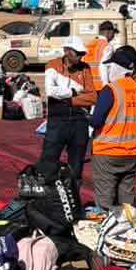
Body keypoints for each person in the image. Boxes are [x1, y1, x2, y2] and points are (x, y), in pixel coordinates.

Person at [88, 47, 136, 208]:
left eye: (110, 66)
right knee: (126, 198)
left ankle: (107, 221)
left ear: (117, 68)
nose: (109, 70)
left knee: (105, 198)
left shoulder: (111, 90)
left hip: (107, 152)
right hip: (131, 153)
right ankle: (129, 222)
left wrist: (88, 118)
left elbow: (96, 121)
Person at [41, 42, 95, 181]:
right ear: (67, 51)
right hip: (58, 120)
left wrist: (68, 100)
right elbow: (51, 91)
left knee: (76, 164)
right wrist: (74, 92)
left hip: (79, 120)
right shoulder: (53, 65)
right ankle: (47, 189)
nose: (81, 57)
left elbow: (92, 97)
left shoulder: (85, 68)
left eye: (82, 54)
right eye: (78, 53)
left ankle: (73, 190)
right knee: (49, 160)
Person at [84, 20, 118, 86]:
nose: (114, 36)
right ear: (109, 32)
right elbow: (103, 66)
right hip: (99, 85)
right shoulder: (107, 46)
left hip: (88, 84)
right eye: (114, 33)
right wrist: (105, 84)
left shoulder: (88, 44)